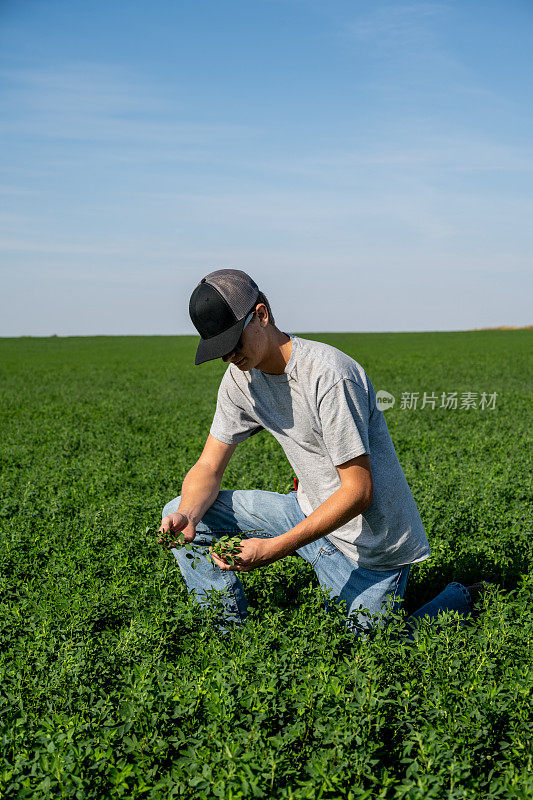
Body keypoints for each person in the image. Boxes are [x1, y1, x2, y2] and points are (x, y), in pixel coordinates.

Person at [159, 269, 478, 633]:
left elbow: (358, 492)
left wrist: (273, 548)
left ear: (261, 315)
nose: (229, 357)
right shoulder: (239, 379)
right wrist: (188, 513)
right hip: (307, 511)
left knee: (369, 655)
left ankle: (461, 597)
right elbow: (209, 466)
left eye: (233, 342)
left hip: (372, 549)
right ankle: (228, 636)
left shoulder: (329, 375)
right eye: (219, 349)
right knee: (180, 512)